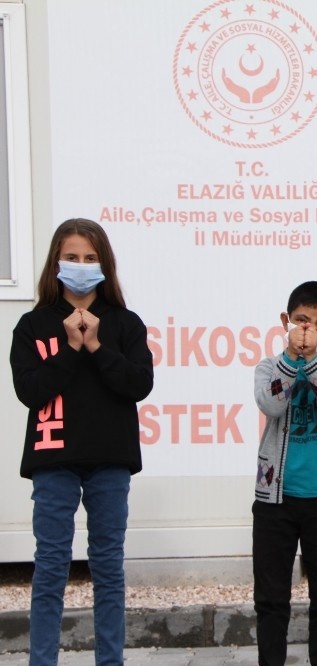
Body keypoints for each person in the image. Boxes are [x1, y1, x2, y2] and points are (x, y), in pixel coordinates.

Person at [10, 218, 155, 665]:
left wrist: (95, 346)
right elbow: (30, 392)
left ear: (105, 265)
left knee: (108, 567)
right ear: (56, 262)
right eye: (71, 257)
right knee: (51, 567)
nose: (80, 266)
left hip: (110, 461)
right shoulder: (33, 325)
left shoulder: (125, 323)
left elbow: (138, 383)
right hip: (53, 460)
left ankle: (110, 660)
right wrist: (70, 348)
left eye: (90, 258)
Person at [252, 281, 317, 666]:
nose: (309, 329)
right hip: (274, 501)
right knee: (270, 599)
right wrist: (292, 361)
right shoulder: (269, 366)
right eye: (301, 320)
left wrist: (311, 362)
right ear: (285, 321)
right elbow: (271, 403)